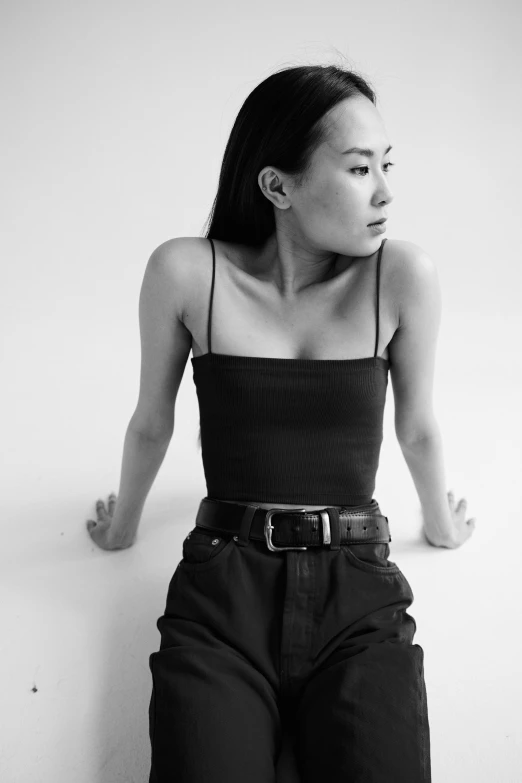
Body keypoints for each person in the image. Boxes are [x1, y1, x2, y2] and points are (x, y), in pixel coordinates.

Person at [87, 64, 476, 782]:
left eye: (387, 165)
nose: (386, 191)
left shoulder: (402, 274)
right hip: (219, 598)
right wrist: (123, 527)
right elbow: (151, 421)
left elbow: (417, 427)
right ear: (277, 186)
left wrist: (441, 524)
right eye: (360, 168)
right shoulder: (186, 273)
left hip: (360, 597)